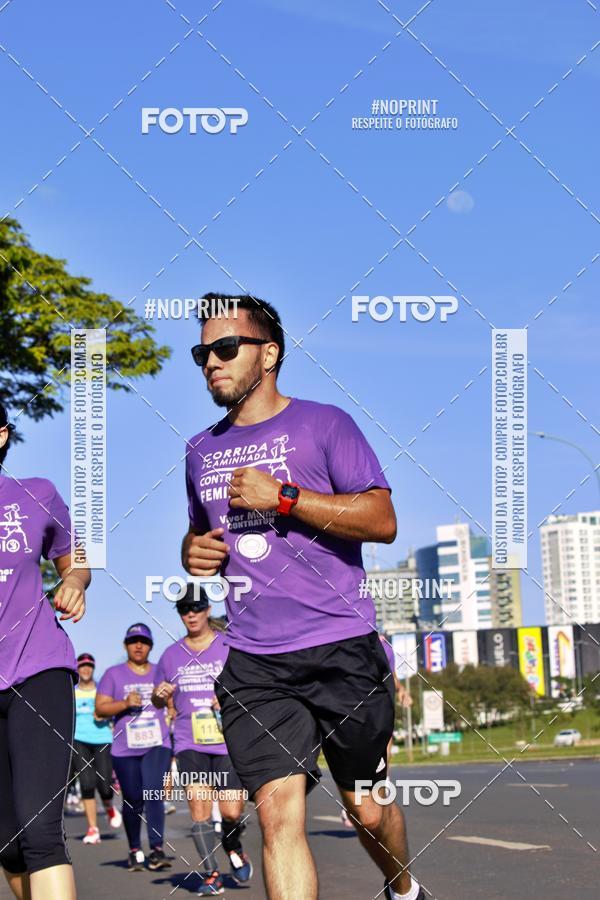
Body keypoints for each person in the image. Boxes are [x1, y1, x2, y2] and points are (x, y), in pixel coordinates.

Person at [182, 296, 425, 900]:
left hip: (341, 647)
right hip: (256, 661)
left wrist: (284, 497)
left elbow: (382, 518)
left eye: (225, 348)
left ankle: (402, 887)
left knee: (366, 810)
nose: (211, 362)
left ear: (269, 354)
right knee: (277, 815)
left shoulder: (326, 424)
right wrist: (192, 553)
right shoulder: (199, 451)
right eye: (201, 352)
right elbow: (198, 532)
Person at [0, 402, 90, 900]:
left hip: (37, 669)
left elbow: (74, 559)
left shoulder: (36, 494)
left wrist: (74, 582)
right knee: (8, 846)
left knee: (38, 834)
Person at [152, 585, 252, 895]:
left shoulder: (229, 646)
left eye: (196, 607)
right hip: (189, 743)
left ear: (208, 610)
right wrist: (158, 696)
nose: (190, 614)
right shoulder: (170, 656)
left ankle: (232, 842)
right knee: (199, 810)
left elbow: (250, 687)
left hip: (228, 742)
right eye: (184, 609)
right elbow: (158, 702)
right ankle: (211, 874)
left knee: (232, 812)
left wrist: (229, 699)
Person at [95, 624, 172, 872]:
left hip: (156, 744)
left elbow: (171, 703)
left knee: (153, 793)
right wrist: (125, 703)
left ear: (151, 646)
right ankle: (135, 850)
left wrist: (169, 707)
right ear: (125, 645)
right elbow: (101, 709)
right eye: (133, 641)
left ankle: (157, 849)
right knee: (133, 799)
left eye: (144, 641)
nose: (138, 645)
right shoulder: (113, 674)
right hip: (125, 749)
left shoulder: (161, 671)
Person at [72, 652, 122, 843]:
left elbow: (113, 710)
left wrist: (105, 715)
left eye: (89, 666)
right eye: (82, 665)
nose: (85, 669)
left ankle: (109, 807)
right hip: (79, 740)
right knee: (86, 783)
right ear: (77, 669)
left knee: (104, 783)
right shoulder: (72, 692)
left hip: (102, 739)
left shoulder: (102, 690)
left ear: (93, 669)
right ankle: (93, 829)